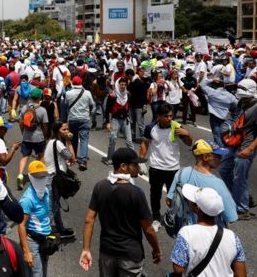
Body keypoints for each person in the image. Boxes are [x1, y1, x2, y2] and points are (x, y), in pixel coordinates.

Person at [79, 148, 161, 276]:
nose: (138, 168)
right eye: (134, 164)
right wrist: (156, 250)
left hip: (107, 253)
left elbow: (89, 220)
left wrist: (86, 249)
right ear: (123, 166)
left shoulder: (100, 187)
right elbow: (149, 229)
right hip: (130, 256)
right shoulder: (136, 193)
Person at [170, 185, 247, 277]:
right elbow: (241, 273)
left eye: (193, 202)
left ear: (197, 208)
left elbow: (178, 268)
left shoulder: (186, 233)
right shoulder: (232, 237)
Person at [141, 102, 193, 231]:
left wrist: (187, 134)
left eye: (171, 116)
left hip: (173, 169)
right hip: (156, 168)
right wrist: (140, 161)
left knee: (175, 197)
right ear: (158, 116)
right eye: (166, 116)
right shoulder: (150, 128)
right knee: (155, 195)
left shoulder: (176, 127)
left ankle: (173, 217)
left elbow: (189, 143)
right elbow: (145, 144)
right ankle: (156, 218)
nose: (169, 119)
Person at [166, 139, 238, 225]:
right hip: (209, 232)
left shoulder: (181, 173)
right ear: (206, 157)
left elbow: (168, 201)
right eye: (217, 156)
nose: (221, 158)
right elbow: (231, 217)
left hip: (185, 227)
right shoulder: (217, 184)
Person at [219, 78, 257, 220]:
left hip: (247, 145)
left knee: (240, 177)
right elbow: (233, 119)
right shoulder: (242, 102)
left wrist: (250, 149)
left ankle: (242, 210)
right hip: (233, 142)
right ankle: (244, 197)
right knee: (223, 169)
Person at [18, 160, 52, 277]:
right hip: (32, 241)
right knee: (36, 274)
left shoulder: (46, 192)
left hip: (44, 239)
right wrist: (27, 251)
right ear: (31, 178)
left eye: (44, 176)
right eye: (38, 177)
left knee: (44, 273)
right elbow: (21, 225)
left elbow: (46, 215)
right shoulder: (27, 200)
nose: (42, 179)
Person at [43, 121, 76, 238]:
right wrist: (69, 141)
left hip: (51, 177)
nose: (67, 132)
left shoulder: (51, 142)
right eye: (64, 130)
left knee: (55, 204)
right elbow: (71, 157)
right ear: (58, 131)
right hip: (54, 178)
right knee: (53, 206)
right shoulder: (57, 143)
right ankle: (43, 232)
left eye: (68, 129)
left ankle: (60, 229)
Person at [17, 88, 49, 190]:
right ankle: (39, 176)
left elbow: (21, 123)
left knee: (24, 156)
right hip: (38, 138)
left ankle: (21, 174)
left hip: (27, 137)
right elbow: (45, 126)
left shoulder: (24, 108)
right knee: (41, 155)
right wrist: (45, 136)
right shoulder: (42, 110)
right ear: (40, 97)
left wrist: (23, 133)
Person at [65, 76, 95, 171]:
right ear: (81, 82)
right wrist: (89, 114)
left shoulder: (68, 93)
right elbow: (92, 105)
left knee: (72, 138)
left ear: (73, 83)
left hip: (72, 118)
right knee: (84, 139)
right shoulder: (87, 93)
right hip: (84, 119)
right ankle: (83, 160)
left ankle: (73, 157)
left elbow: (66, 104)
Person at [104, 78, 134, 165]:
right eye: (121, 85)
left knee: (129, 140)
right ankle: (110, 159)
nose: (123, 87)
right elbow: (107, 110)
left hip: (125, 119)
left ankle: (133, 159)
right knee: (113, 139)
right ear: (118, 85)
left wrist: (129, 116)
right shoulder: (112, 96)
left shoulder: (128, 95)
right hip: (115, 120)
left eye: (125, 85)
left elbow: (129, 106)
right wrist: (108, 122)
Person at [199, 77, 238, 147]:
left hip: (214, 117)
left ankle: (221, 150)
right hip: (225, 117)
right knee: (223, 134)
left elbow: (202, 84)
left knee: (216, 134)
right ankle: (221, 146)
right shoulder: (230, 96)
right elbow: (236, 104)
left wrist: (212, 79)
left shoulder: (212, 92)